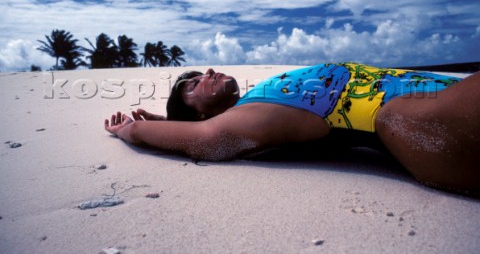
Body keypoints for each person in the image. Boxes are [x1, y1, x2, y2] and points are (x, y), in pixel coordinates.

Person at [104, 62, 480, 195]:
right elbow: (207, 140)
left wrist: (168, 121)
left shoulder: (253, 102)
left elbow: (202, 125)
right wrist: (130, 132)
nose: (208, 74)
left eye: (200, 74)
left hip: (442, 92)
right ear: (200, 116)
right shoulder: (243, 119)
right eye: (193, 86)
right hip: (416, 119)